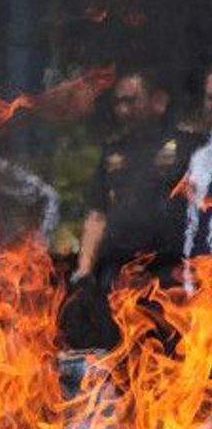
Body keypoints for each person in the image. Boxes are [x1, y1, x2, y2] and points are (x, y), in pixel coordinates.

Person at [65, 67, 203, 349]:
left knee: (173, 352)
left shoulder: (188, 147)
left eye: (132, 100)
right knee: (120, 350)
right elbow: (97, 215)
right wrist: (83, 272)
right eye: (119, 102)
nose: (123, 109)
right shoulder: (113, 152)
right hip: (120, 275)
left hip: (170, 274)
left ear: (158, 101)